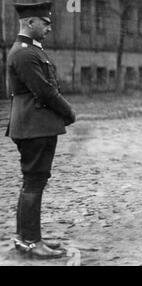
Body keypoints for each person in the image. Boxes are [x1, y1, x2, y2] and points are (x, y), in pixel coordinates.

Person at [6, 2, 76, 259]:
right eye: (44, 22)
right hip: (33, 126)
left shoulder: (32, 50)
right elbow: (45, 91)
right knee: (33, 183)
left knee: (34, 182)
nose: (49, 27)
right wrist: (68, 112)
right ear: (30, 22)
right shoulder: (25, 53)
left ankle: (27, 238)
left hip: (36, 124)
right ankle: (31, 241)